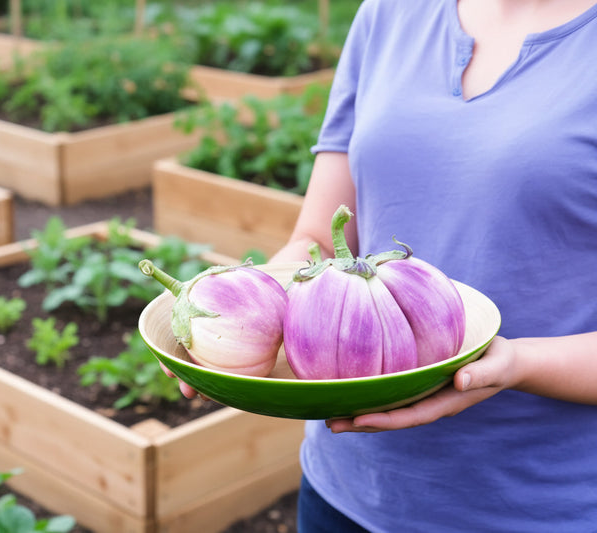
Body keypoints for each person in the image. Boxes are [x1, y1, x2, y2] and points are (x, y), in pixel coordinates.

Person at [164, 0, 597, 530]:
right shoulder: (390, 12)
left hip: (530, 507)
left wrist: (516, 364)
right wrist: (226, 317)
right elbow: (320, 238)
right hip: (345, 490)